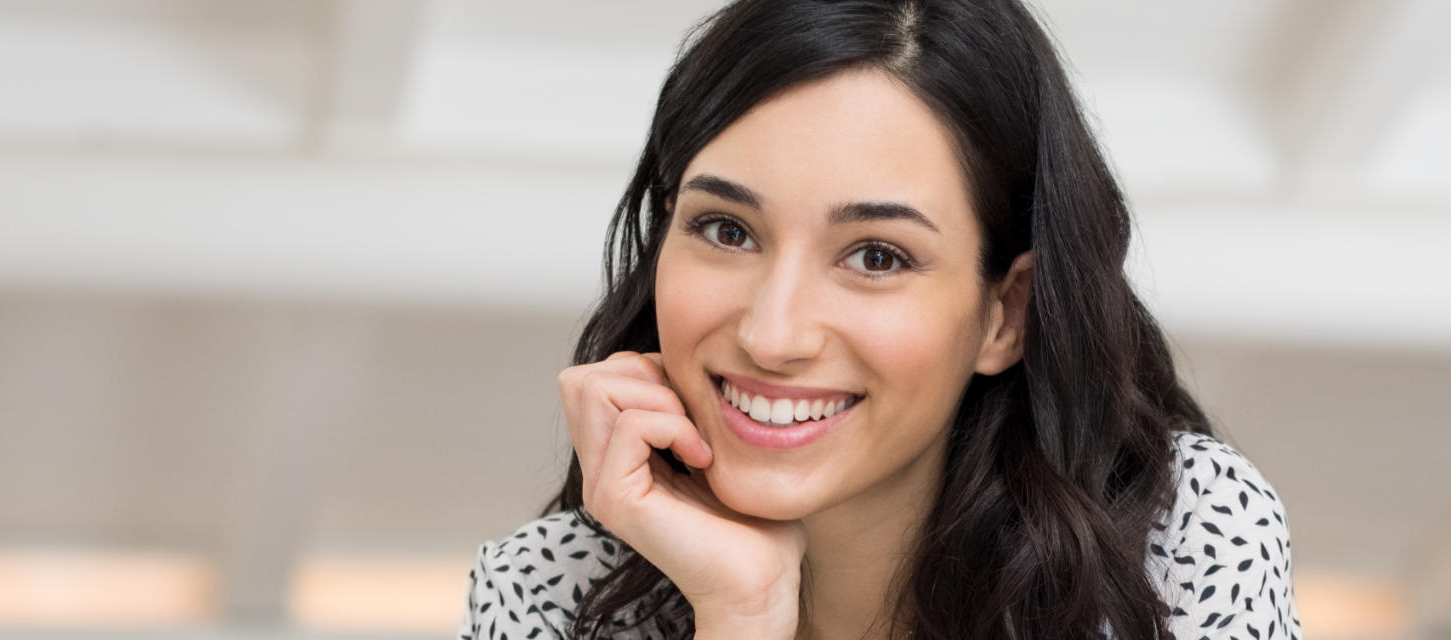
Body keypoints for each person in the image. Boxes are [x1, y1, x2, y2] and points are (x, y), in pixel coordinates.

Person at [458, 0, 1302, 638]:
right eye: (727, 230)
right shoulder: (551, 595)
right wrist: (741, 612)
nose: (771, 334)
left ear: (1005, 318)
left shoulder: (1182, 545)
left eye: (877, 256)